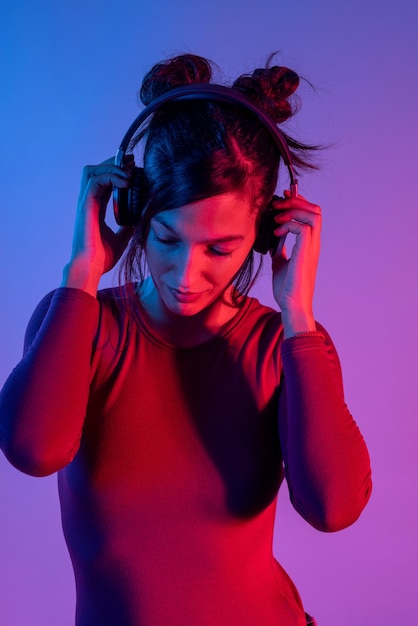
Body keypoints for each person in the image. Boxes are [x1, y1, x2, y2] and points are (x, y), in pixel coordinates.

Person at [0, 54, 372, 626]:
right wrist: (82, 270)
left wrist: (297, 313)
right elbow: (34, 448)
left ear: (264, 233)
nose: (184, 273)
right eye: (165, 237)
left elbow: (333, 506)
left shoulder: (284, 347)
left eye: (219, 249)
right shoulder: (80, 323)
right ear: (135, 212)